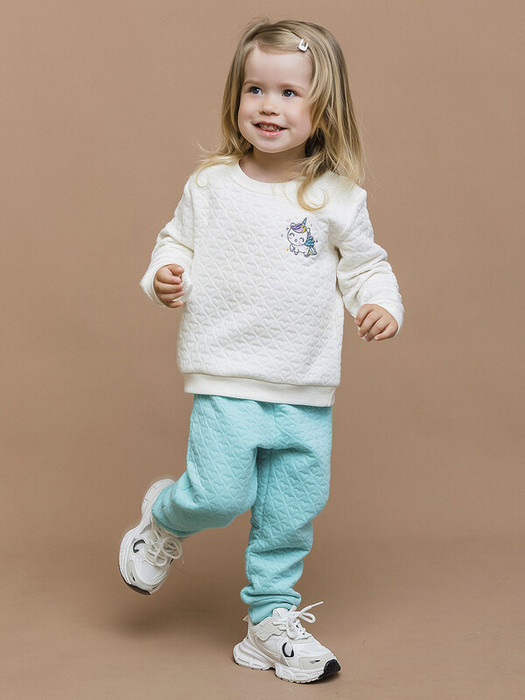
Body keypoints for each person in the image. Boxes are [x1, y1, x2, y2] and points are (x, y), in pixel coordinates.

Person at [119, 18, 404, 684]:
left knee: (290, 513)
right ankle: (165, 517)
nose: (269, 106)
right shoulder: (212, 184)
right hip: (227, 372)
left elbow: (366, 266)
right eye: (255, 89)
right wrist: (164, 276)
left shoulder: (337, 197)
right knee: (218, 496)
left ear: (324, 108)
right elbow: (175, 242)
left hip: (305, 384)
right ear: (236, 97)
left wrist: (381, 304)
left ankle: (269, 622)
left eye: (288, 93)